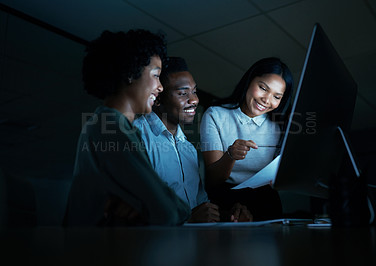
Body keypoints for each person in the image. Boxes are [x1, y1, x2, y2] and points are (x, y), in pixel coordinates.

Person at [64, 29, 191, 226]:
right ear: (131, 72)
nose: (161, 87)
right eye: (156, 75)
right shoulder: (111, 127)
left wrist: (139, 206)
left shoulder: (107, 124)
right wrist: (162, 207)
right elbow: (168, 211)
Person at [134, 57, 252, 222]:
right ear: (158, 97)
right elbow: (131, 211)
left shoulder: (187, 148)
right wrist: (186, 219)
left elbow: (199, 203)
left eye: (194, 91)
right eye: (183, 93)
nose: (194, 100)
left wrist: (227, 215)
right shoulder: (136, 136)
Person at [200, 57, 293, 221]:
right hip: (226, 198)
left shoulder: (280, 124)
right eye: (263, 88)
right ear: (250, 80)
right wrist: (231, 156)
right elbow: (214, 179)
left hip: (266, 200)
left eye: (277, 97)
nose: (267, 100)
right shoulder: (216, 115)